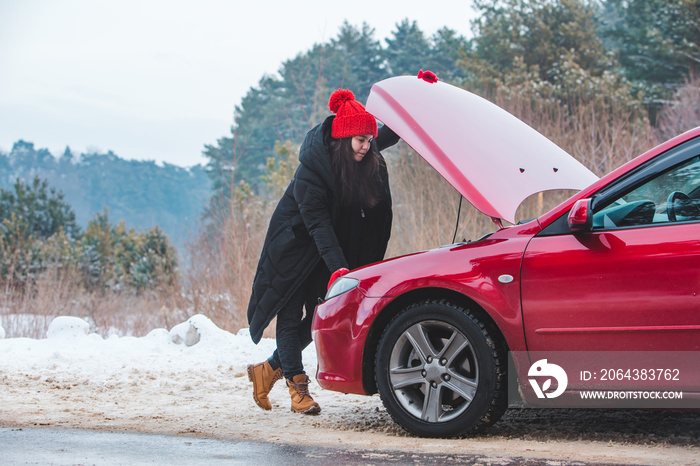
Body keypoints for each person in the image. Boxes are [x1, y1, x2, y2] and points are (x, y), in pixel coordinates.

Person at [246, 89, 398, 414]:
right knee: (289, 319)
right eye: (361, 140)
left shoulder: (357, 155)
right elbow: (318, 227)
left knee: (318, 315)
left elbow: (386, 137)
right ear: (344, 139)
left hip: (321, 251)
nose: (367, 146)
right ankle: (297, 390)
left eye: (369, 140)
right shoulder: (311, 173)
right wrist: (340, 269)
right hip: (294, 249)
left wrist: (417, 103)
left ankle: (267, 370)